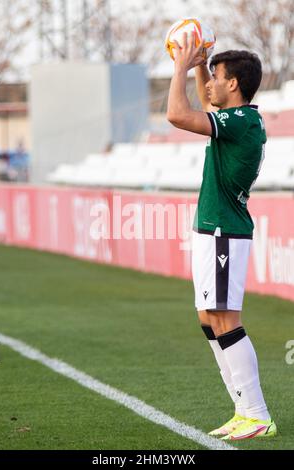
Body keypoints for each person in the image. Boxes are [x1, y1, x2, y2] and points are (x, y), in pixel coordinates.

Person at [167, 33, 276, 440]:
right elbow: (206, 106)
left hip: (224, 231)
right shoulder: (236, 121)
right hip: (214, 229)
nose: (209, 83)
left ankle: (257, 413)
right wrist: (199, 66)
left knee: (226, 319)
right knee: (209, 320)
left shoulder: (242, 121)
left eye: (215, 76)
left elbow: (178, 115)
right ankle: (242, 408)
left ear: (234, 84)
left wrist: (180, 65)